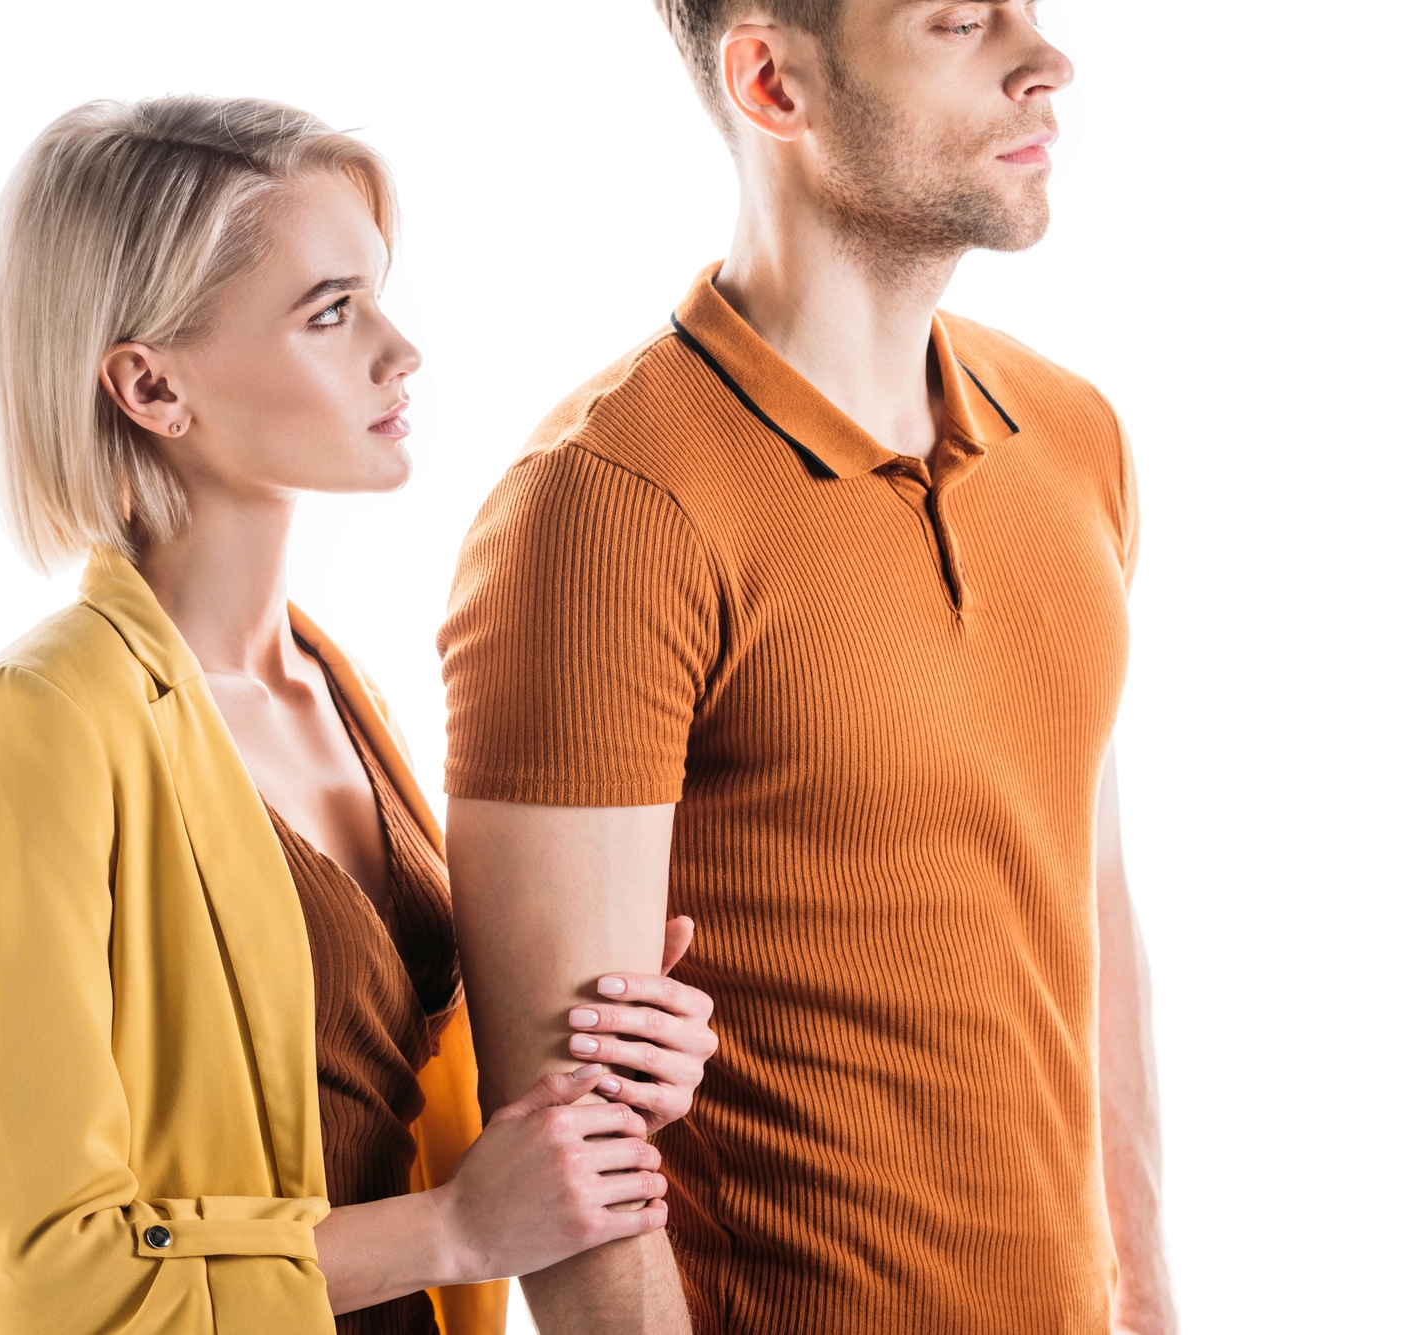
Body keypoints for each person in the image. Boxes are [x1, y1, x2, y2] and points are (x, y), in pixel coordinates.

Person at [0, 96, 719, 1335]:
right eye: (329, 312)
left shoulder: (348, 696)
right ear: (148, 385)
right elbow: (49, 1281)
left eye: (376, 299)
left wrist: (600, 1074)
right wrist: (455, 1229)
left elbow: (385, 1121)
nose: (400, 351)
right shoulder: (39, 725)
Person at [438, 5, 1174, 1334]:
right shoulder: (605, 507)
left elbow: (1092, 913)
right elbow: (569, 1141)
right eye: (958, 21)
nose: (1044, 57)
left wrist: (1152, 1306)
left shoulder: (1077, 436)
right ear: (772, 81)